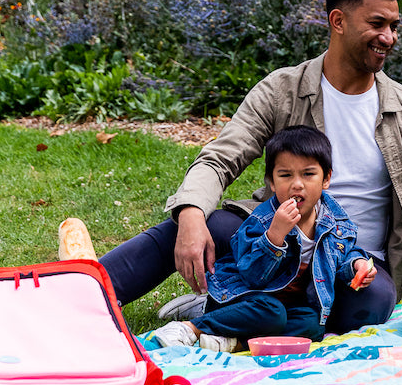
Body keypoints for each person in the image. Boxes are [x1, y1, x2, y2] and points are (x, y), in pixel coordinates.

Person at [100, 0, 402, 333]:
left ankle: (231, 303)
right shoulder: (282, 90)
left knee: (373, 304)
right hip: (275, 247)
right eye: (377, 24)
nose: (389, 37)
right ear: (338, 21)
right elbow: (219, 158)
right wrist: (191, 216)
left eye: (394, 27)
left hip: (353, 265)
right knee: (206, 224)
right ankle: (84, 291)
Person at [154, 126, 377, 352]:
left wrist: (356, 265)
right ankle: (192, 327)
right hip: (245, 296)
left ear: (326, 178)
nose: (297, 184)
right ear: (272, 181)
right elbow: (252, 276)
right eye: (285, 175)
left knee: (312, 323)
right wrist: (275, 236)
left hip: (286, 306)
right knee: (272, 313)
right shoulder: (262, 221)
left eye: (308, 174)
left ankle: (234, 342)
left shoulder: (336, 222)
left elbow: (344, 253)